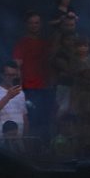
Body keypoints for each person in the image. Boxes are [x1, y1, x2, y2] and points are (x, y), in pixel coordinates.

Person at [12, 12, 54, 141]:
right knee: (33, 120)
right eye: (31, 23)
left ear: (40, 24)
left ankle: (47, 148)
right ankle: (32, 149)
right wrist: (19, 88)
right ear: (26, 25)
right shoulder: (22, 44)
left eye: (36, 23)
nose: (34, 25)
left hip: (46, 88)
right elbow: (17, 66)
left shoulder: (45, 43)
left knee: (47, 120)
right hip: (30, 88)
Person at [0, 62, 27, 142]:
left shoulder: (20, 93)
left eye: (14, 75)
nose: (12, 78)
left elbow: (24, 118)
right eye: (9, 75)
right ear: (2, 75)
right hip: (1, 142)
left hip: (19, 142)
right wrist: (8, 96)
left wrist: (25, 139)